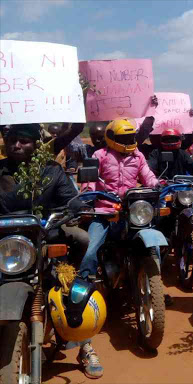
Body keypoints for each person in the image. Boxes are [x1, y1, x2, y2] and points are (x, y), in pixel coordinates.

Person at [0, 123, 102, 379]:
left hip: (45, 235)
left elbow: (69, 199)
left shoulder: (52, 170)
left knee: (79, 240)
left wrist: (73, 206)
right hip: (7, 244)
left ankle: (84, 344)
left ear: (36, 145)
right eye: (12, 140)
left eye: (23, 140)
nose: (17, 145)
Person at [79, 119, 158, 281]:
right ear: (112, 138)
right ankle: (85, 283)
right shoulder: (100, 155)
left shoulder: (137, 156)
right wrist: (88, 192)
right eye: (124, 138)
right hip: (104, 212)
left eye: (131, 137)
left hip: (131, 211)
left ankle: (154, 282)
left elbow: (147, 175)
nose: (129, 142)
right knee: (91, 249)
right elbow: (90, 180)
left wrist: (157, 185)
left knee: (153, 246)